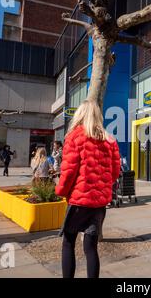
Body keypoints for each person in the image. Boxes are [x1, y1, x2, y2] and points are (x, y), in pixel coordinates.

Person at [55, 100, 120, 279]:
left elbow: (68, 172)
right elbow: (114, 173)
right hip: (98, 203)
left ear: (80, 114)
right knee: (91, 248)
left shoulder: (75, 137)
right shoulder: (110, 140)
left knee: (68, 242)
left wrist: (60, 191)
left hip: (79, 202)